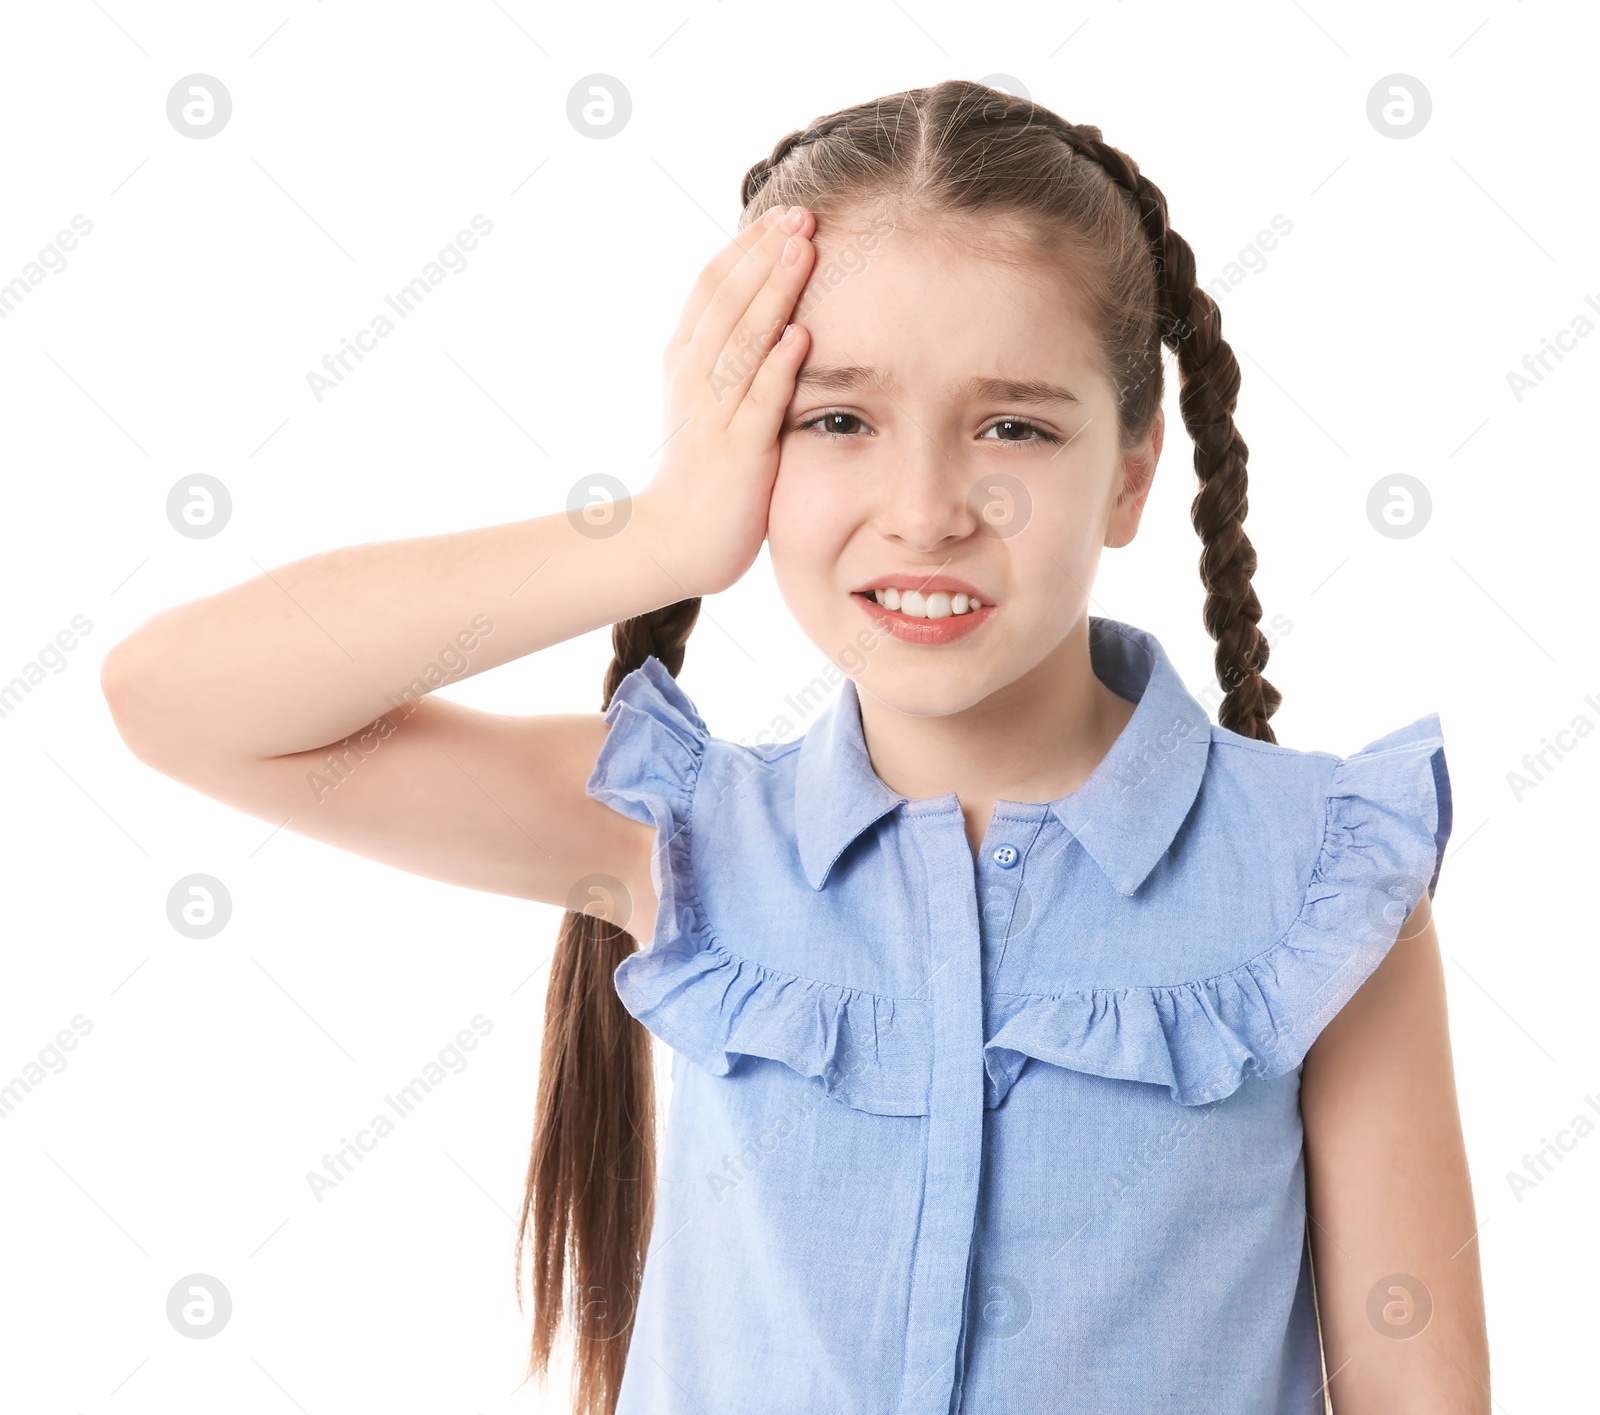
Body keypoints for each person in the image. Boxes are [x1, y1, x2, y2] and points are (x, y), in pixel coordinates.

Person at [102, 80, 1488, 1415]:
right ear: (749, 446)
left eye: (1013, 425)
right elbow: (177, 697)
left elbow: (1419, 1390)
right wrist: (652, 537)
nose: (926, 506)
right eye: (837, 421)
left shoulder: (1326, 882)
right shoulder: (676, 835)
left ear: (1130, 470)